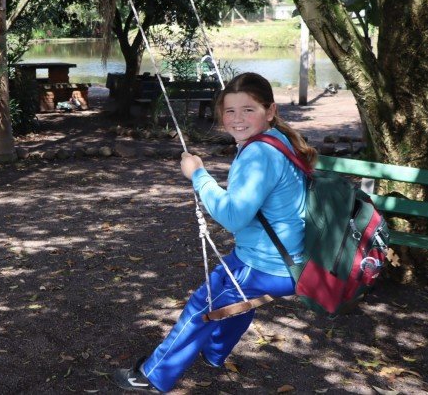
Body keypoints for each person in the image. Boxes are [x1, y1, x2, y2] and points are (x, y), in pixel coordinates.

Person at [112, 72, 318, 393]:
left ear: (270, 110)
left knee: (202, 305)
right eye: (230, 111)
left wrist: (198, 175)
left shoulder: (259, 153)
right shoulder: (278, 139)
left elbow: (234, 216)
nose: (237, 119)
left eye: (248, 110)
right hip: (286, 259)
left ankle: (152, 375)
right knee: (234, 296)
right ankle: (215, 353)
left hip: (268, 266)